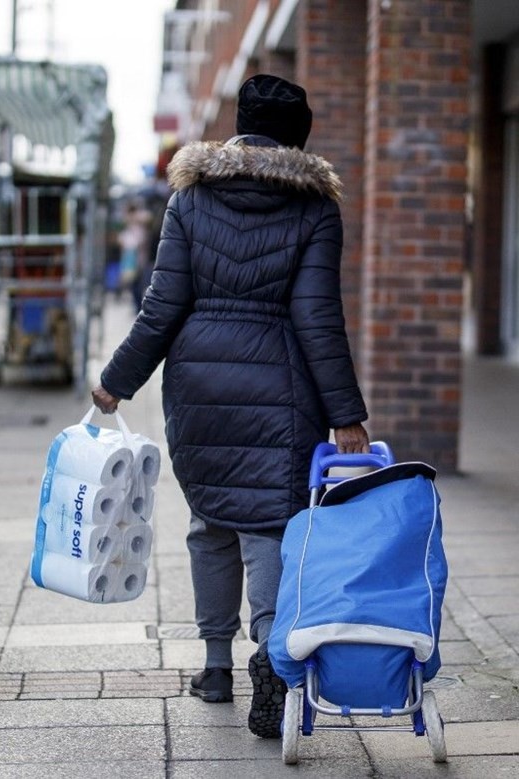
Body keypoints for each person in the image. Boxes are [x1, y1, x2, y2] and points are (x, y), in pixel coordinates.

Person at [91, 74, 370, 739]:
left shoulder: (191, 195)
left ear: (238, 125)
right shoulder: (314, 207)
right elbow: (317, 318)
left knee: (209, 521)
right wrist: (346, 412)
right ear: (300, 136)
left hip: (200, 385)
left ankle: (215, 666)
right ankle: (272, 660)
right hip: (281, 389)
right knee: (269, 525)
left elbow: (163, 306)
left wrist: (116, 380)